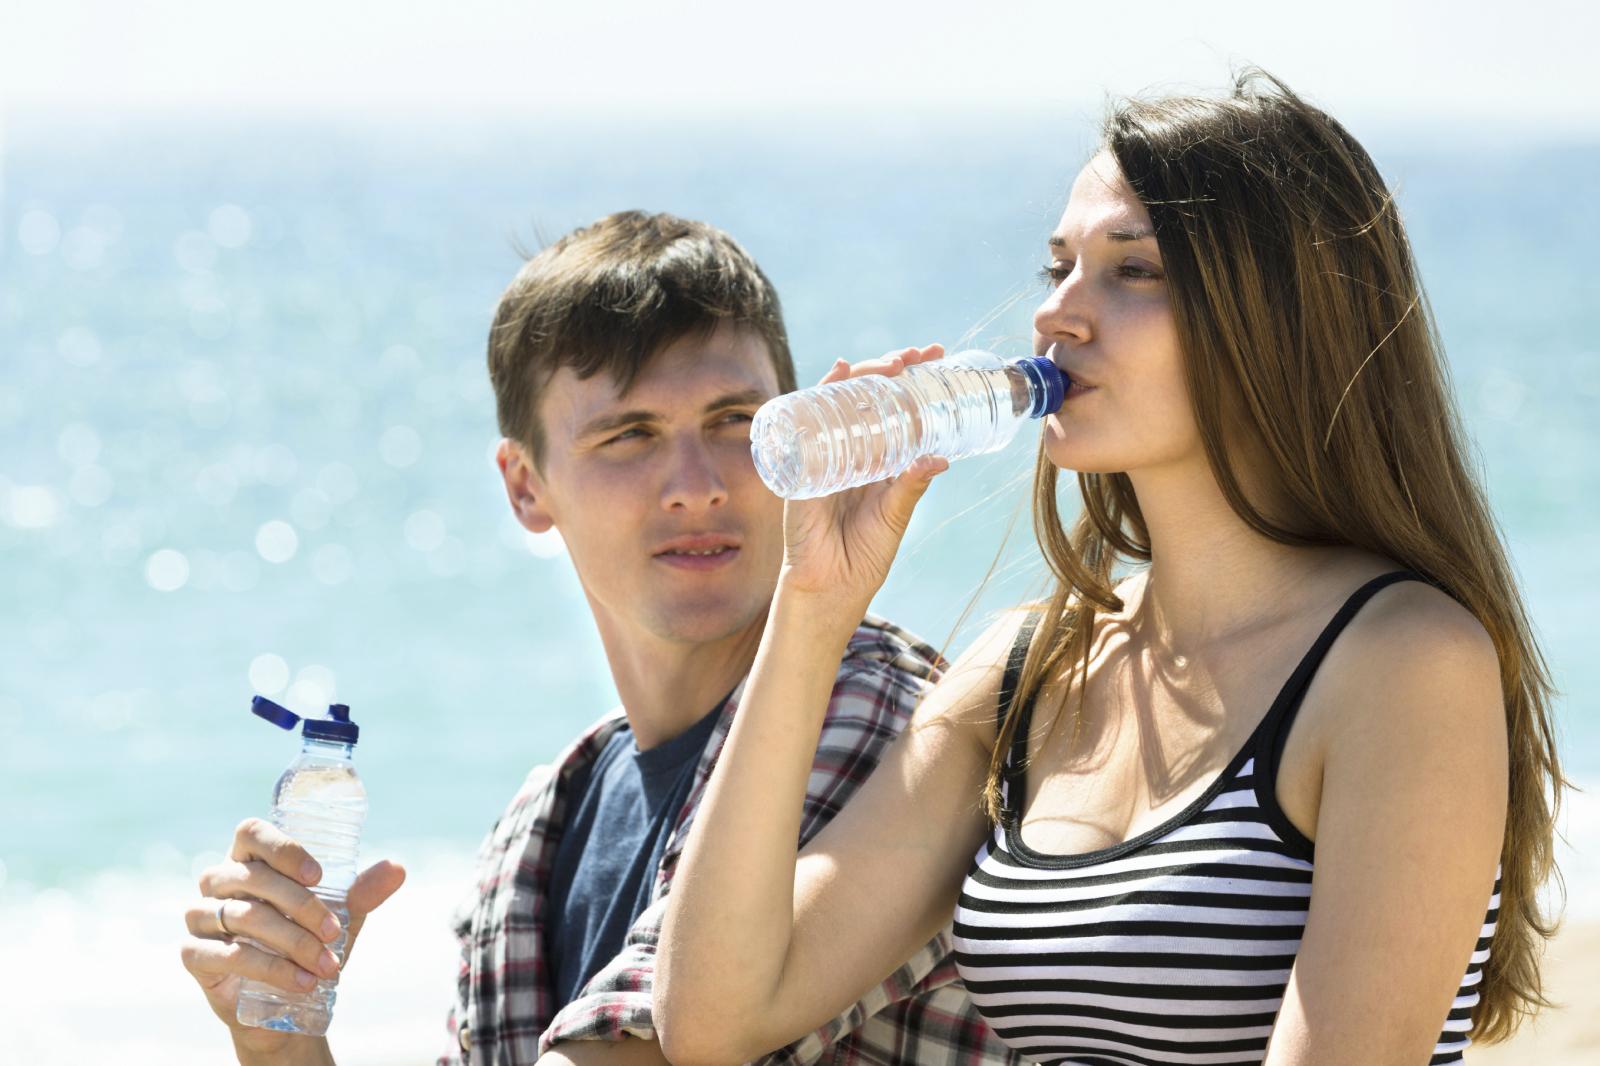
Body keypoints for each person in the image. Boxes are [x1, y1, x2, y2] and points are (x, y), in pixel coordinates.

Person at [653, 71, 1569, 1065]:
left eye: (1133, 270)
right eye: (1058, 268)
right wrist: (811, 608)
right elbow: (715, 1018)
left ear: (1280, 314)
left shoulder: (1403, 664)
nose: (1058, 314)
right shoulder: (1029, 671)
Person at [179, 211, 1021, 1064]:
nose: (696, 486)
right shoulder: (541, 823)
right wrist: (280, 1038)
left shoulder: (886, 725)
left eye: (736, 422)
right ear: (526, 487)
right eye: (630, 435)